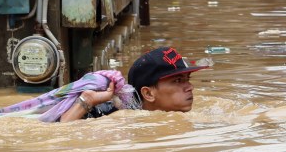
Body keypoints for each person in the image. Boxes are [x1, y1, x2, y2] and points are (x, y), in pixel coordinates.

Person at [59, 46, 209, 122]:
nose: (190, 87)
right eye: (177, 81)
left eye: (187, 79)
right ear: (148, 94)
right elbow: (63, 132)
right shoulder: (120, 118)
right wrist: (88, 100)